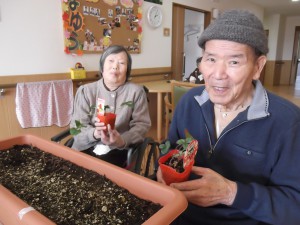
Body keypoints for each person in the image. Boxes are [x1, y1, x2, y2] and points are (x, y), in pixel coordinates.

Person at [157, 9, 300, 225]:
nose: (218, 74)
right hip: (180, 213)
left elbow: (294, 207)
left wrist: (231, 193)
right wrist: (164, 167)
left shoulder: (287, 122)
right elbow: (172, 148)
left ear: (257, 67)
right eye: (211, 59)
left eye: (234, 62)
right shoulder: (189, 102)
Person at [70, 45, 151, 167]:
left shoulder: (136, 92)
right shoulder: (86, 91)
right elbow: (77, 126)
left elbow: (141, 125)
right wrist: (94, 133)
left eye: (122, 63)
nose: (115, 66)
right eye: (111, 61)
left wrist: (122, 140)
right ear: (102, 67)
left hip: (119, 150)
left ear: (127, 70)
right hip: (85, 148)